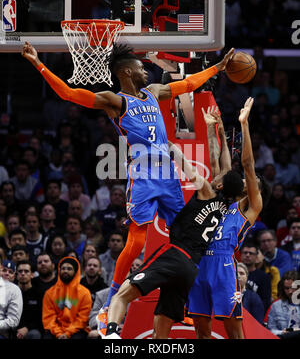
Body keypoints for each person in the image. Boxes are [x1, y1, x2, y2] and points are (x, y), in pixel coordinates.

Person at [22, 40, 234, 329]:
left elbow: (186, 85)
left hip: (168, 175)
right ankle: (110, 303)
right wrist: (38, 63)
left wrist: (216, 68)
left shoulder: (153, 92)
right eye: (140, 67)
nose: (145, 71)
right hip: (144, 175)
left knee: (186, 239)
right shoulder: (115, 101)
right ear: (125, 72)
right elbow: (69, 93)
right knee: (138, 239)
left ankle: (181, 304)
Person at [102, 103, 240, 339]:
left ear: (219, 184)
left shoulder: (207, 190)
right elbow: (221, 163)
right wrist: (214, 129)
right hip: (190, 270)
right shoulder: (227, 202)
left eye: (219, 177)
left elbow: (194, 168)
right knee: (162, 328)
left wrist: (170, 147)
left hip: (175, 255)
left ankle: (111, 331)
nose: (216, 173)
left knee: (121, 295)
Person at [187, 97, 263, 339]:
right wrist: (213, 130)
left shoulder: (248, 209)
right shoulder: (219, 199)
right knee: (201, 333)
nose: (245, 180)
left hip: (224, 267)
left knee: (234, 335)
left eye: (250, 183)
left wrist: (244, 124)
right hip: (198, 265)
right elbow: (217, 161)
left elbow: (248, 165)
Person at [42, 256, 92, 339]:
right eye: (63, 268)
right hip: (55, 331)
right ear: (59, 270)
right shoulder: (49, 293)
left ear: (75, 272)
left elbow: (82, 319)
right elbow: (49, 318)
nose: (65, 271)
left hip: (76, 330)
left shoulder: (84, 293)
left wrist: (67, 333)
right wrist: (59, 333)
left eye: (69, 269)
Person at [267, 270, 300, 339]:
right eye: (287, 288)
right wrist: (282, 332)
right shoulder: (276, 306)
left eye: (293, 288)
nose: (290, 291)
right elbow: (270, 330)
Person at [240, 242, 272, 313]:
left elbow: (266, 301)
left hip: (254, 314)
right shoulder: (233, 274)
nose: (247, 255)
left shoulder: (264, 277)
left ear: (256, 256)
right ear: (241, 254)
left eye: (251, 253)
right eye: (245, 253)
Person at [15, 260, 41, 339]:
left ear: (32, 275)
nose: (23, 273)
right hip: (13, 329)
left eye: (26, 271)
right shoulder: (10, 293)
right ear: (16, 275)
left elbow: (40, 317)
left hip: (31, 330)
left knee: (34, 334)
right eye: (20, 271)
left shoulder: (39, 293)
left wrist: (27, 328)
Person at [0, 272, 23, 339]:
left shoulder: (14, 290)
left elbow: (13, 320)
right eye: (5, 270)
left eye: (10, 272)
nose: (7, 274)